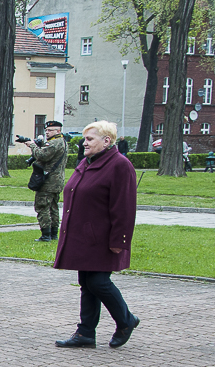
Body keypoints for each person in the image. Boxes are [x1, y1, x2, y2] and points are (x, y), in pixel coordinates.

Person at [54, 120, 140, 348]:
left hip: (103, 238)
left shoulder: (120, 165)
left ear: (106, 141)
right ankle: (85, 333)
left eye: (90, 139)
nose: (84, 143)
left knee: (98, 282)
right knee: (87, 283)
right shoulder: (87, 162)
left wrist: (120, 240)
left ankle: (126, 320)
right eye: (85, 139)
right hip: (83, 237)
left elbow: (125, 207)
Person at [30, 120, 68, 242]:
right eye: (46, 130)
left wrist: (32, 145)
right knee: (53, 207)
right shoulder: (62, 141)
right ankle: (54, 234)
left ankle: (46, 234)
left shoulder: (54, 143)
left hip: (48, 181)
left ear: (58, 131)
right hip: (57, 181)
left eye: (50, 130)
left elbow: (42, 155)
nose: (47, 132)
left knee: (43, 206)